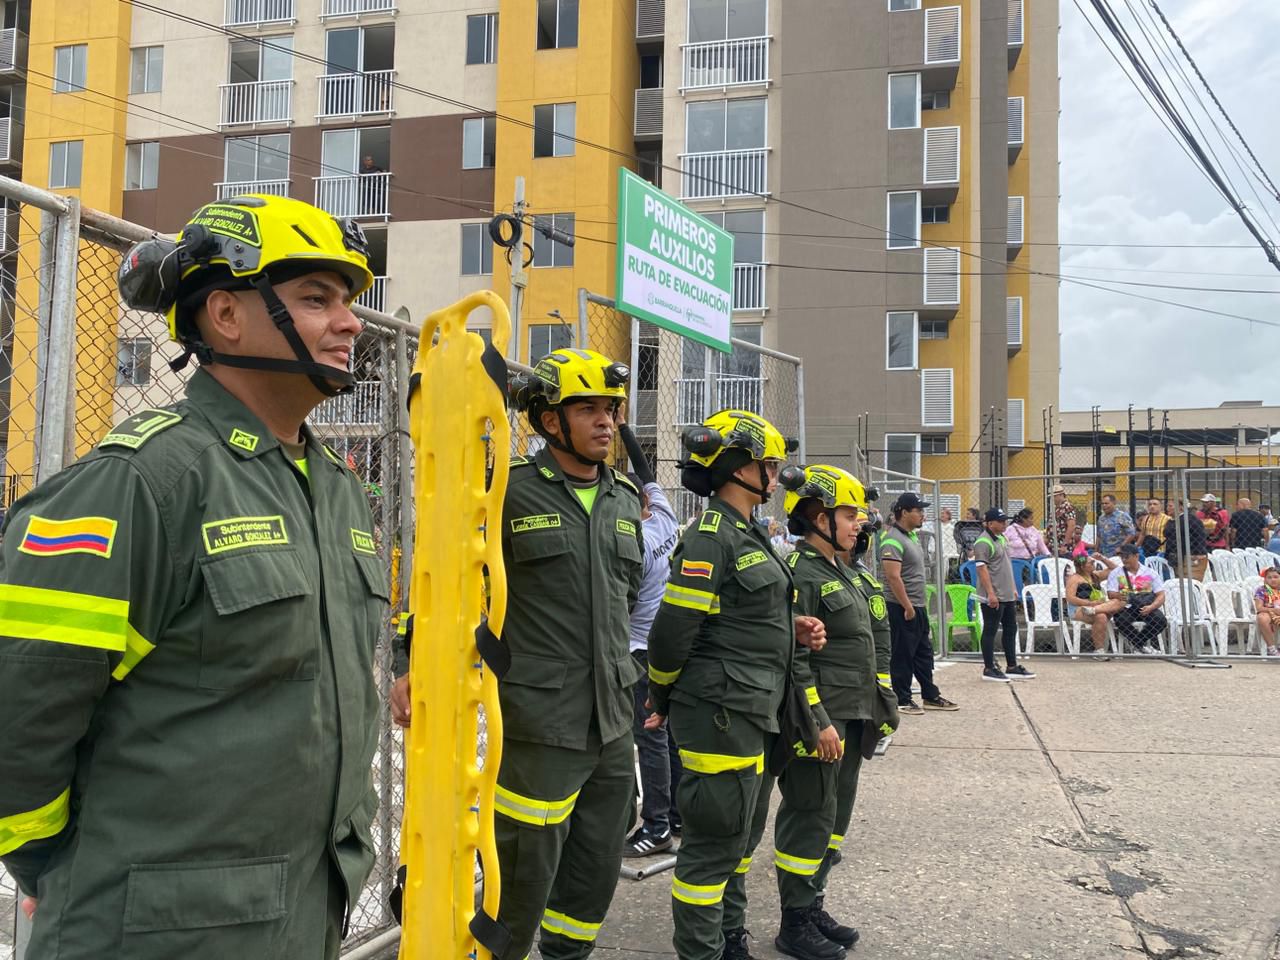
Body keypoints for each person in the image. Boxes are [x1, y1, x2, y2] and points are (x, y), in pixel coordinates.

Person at [0, 195, 386, 958]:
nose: (351, 324)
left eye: (348, 302)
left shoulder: (337, 488)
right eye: (316, 298)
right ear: (226, 315)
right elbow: (20, 712)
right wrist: (59, 865)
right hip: (153, 932)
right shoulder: (142, 482)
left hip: (305, 920)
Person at [645, 409, 822, 960]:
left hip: (750, 708)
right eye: (768, 465)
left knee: (738, 836)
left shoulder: (749, 534)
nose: (776, 477)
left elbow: (737, 610)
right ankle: (703, 951)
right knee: (713, 843)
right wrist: (661, 693)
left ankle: (727, 938)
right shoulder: (709, 536)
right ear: (737, 468)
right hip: (719, 710)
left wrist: (787, 626)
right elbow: (674, 630)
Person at [497, 348, 644, 960]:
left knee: (593, 875)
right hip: (541, 726)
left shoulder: (624, 498)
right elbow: (449, 584)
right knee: (521, 883)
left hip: (612, 724)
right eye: (587, 409)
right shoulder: (507, 493)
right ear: (549, 420)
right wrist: (407, 665)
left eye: (610, 409)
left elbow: (626, 599)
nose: (606, 421)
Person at [766, 464, 877, 960]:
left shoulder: (844, 572)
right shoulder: (802, 574)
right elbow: (797, 658)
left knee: (834, 817)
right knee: (809, 813)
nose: (859, 524)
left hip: (852, 714)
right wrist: (818, 722)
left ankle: (813, 902)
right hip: (821, 722)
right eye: (849, 514)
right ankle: (793, 922)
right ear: (816, 516)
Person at [618, 420, 682, 858]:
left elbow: (619, 602)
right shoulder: (664, 515)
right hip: (669, 648)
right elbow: (647, 472)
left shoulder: (635, 540)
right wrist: (624, 429)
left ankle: (656, 823)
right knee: (671, 734)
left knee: (650, 739)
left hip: (639, 649)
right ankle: (676, 814)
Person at [881, 492, 958, 714]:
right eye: (919, 511)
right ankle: (902, 699)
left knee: (923, 653)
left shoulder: (911, 537)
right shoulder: (892, 539)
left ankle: (930, 695)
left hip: (917, 605)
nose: (923, 515)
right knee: (903, 654)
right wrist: (907, 606)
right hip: (902, 607)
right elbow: (893, 577)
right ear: (904, 513)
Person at [973, 508, 1036, 682]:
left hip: (1007, 593)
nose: (1004, 524)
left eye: (1004, 521)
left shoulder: (1002, 538)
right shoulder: (983, 542)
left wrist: (1013, 587)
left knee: (1011, 628)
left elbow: (1005, 565)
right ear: (990, 523)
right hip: (994, 595)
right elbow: (982, 568)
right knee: (990, 630)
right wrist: (991, 593)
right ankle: (989, 668)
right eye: (1000, 521)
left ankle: (1012, 665)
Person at [1105, 544, 1168, 654]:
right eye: (1122, 557)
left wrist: (1151, 607)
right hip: (1126, 606)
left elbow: (1161, 594)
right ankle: (1142, 646)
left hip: (1146, 606)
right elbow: (1111, 593)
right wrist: (1124, 596)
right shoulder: (1116, 573)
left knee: (1160, 620)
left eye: (1127, 557)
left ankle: (1138, 644)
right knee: (1121, 620)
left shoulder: (1150, 572)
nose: (1124, 560)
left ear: (1136, 556)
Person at [1065, 554, 1124, 655]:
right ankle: (1099, 650)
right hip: (1079, 608)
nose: (1094, 563)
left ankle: (1096, 609)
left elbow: (1116, 570)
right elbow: (1071, 598)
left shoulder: (1096, 576)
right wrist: (1090, 603)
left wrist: (1103, 558)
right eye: (1091, 562)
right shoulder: (1074, 579)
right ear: (1083, 566)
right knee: (1101, 617)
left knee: (1121, 601)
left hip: (1097, 606)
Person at [1165, 501, 1208, 581]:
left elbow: (1200, 536)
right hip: (1176, 556)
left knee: (1191, 581)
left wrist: (1198, 553)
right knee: (1178, 580)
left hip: (1191, 555)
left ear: (1181, 507)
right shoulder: (1170, 521)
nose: (1168, 508)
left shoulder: (1190, 519)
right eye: (1167, 506)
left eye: (1171, 506)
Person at [1252, 567, 1280, 657]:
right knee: (1262, 617)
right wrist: (1274, 610)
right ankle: (1272, 649)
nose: (1273, 580)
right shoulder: (1262, 590)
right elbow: (1259, 608)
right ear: (1265, 579)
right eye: (1269, 577)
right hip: (1268, 612)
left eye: (1276, 577)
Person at [1051, 484, 1079, 557]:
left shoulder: (1067, 507)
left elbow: (1071, 526)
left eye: (1055, 496)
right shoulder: (1056, 508)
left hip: (1063, 545)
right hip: (1055, 545)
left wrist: (1065, 544)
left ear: (1061, 495)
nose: (1053, 498)